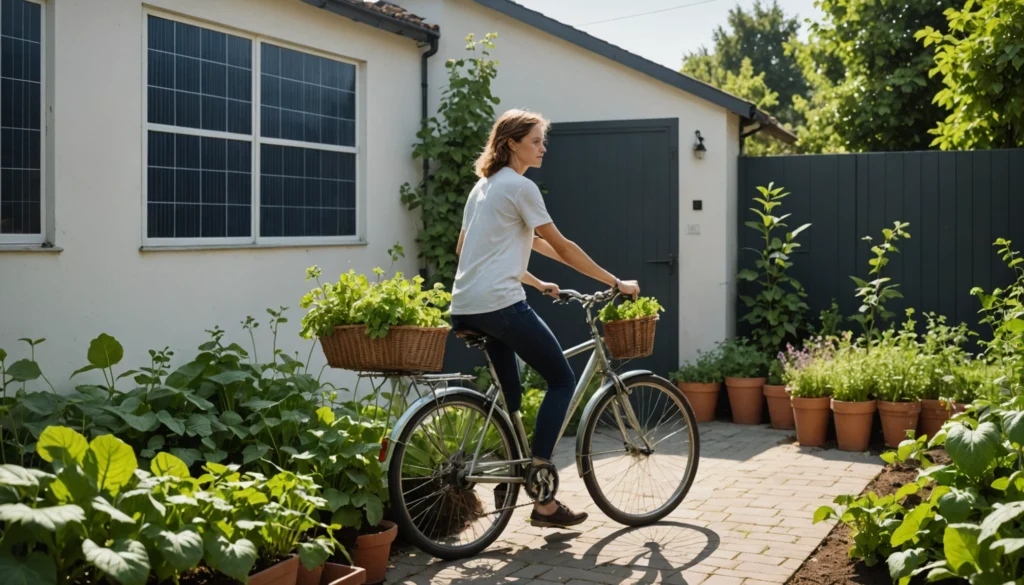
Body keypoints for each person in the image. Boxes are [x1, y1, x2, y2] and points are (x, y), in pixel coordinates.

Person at [450, 108, 640, 528]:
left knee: (513, 400)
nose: (543, 148)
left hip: (466, 305)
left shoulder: (483, 188)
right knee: (561, 380)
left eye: (543, 140)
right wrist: (614, 281)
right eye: (536, 140)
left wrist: (536, 284)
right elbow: (564, 247)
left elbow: (477, 250)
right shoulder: (520, 187)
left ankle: (525, 487)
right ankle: (540, 483)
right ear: (512, 142)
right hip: (500, 304)